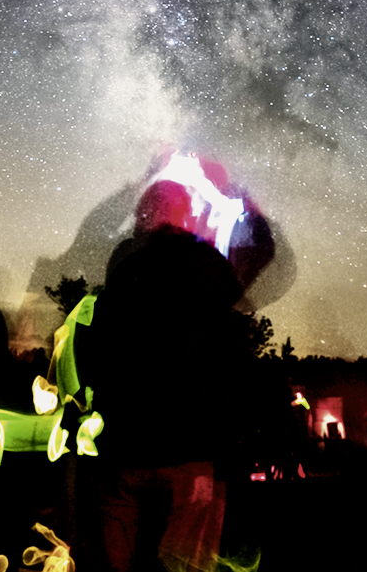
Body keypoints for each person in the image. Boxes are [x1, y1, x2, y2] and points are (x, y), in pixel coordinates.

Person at [82, 181, 245, 572]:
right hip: (190, 448)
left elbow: (94, 349)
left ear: (144, 216)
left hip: (123, 448)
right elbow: (230, 352)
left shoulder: (122, 269)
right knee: (182, 564)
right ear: (186, 215)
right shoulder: (210, 269)